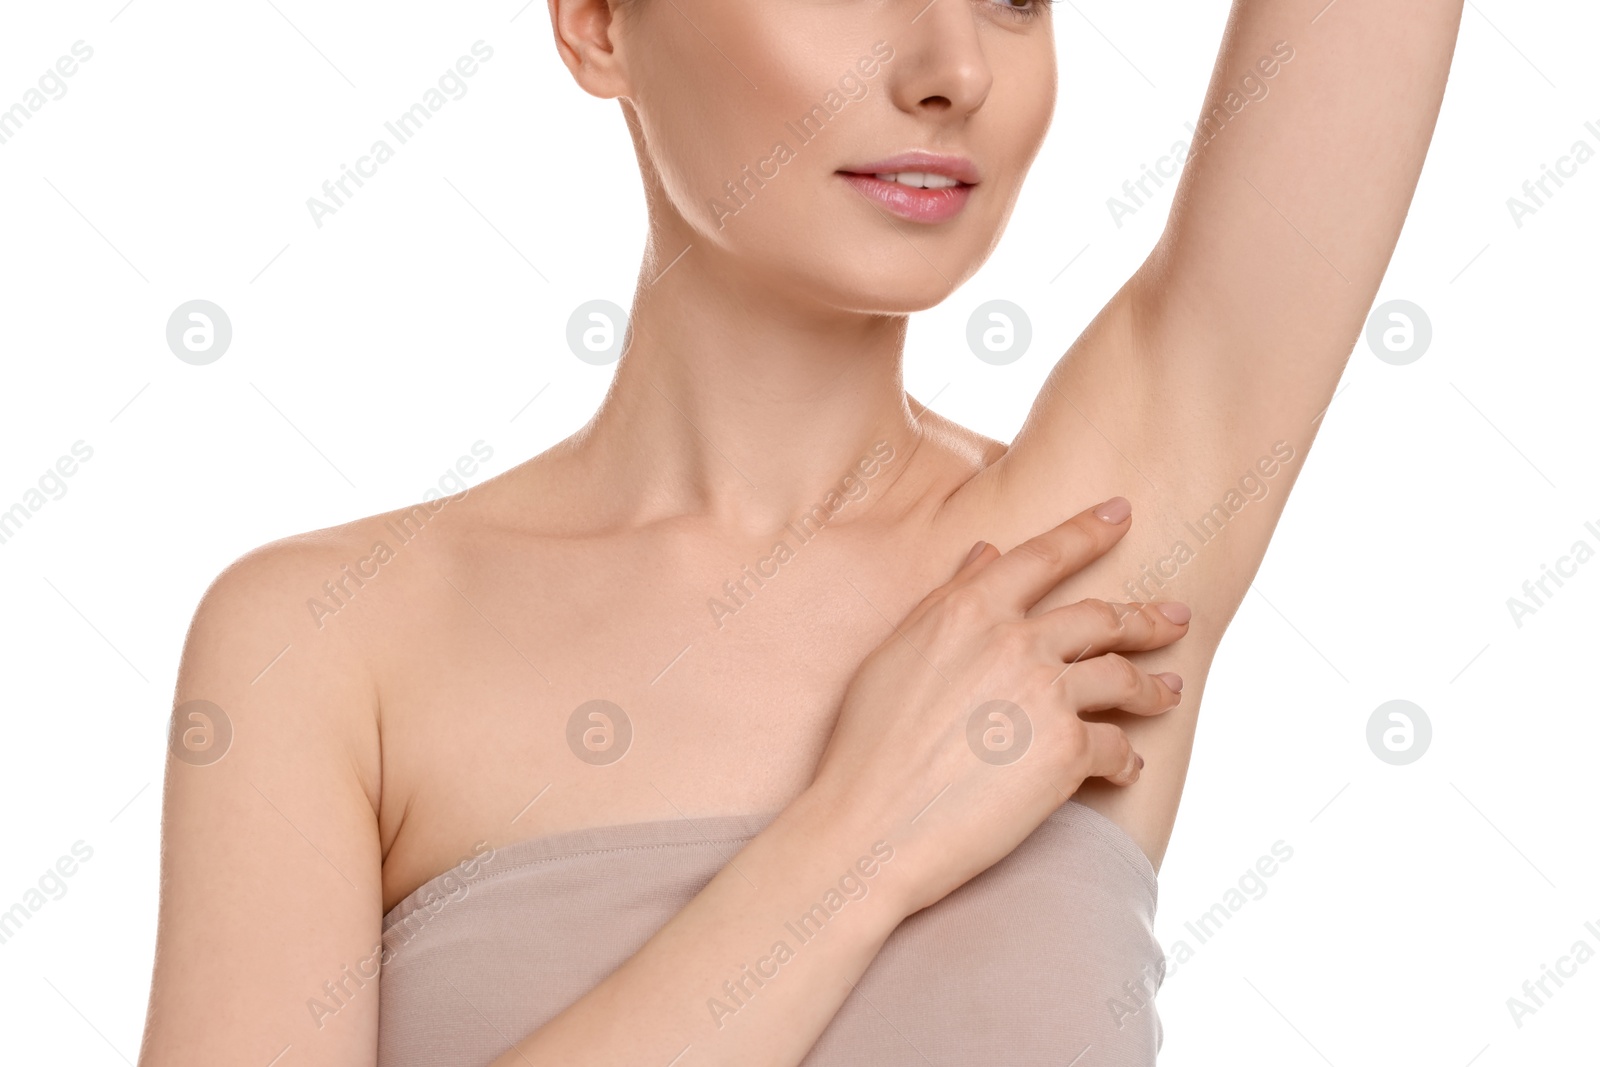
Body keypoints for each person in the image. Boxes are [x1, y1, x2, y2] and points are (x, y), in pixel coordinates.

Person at [136, 0, 1465, 1063]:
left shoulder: (1080, 562)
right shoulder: (328, 644)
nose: (953, 67)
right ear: (599, 23)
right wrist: (858, 844)